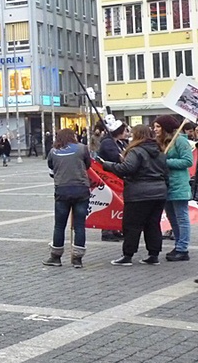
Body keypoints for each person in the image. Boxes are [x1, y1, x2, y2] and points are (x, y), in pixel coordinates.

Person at [100, 125, 168, 266]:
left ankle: (128, 255)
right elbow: (166, 173)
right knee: (153, 224)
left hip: (139, 193)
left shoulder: (136, 151)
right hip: (159, 192)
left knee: (132, 225)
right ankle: (153, 254)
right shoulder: (160, 151)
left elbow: (127, 169)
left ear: (137, 135)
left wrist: (107, 165)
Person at [43, 128, 91, 268]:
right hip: (81, 190)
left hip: (62, 190)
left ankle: (56, 257)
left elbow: (51, 170)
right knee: (79, 225)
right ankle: (77, 259)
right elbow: (88, 165)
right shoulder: (82, 148)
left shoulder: (53, 152)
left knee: (59, 225)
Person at [154, 114, 193, 262]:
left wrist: (166, 161)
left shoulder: (180, 141)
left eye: (158, 126)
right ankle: (178, 244)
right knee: (172, 217)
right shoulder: (160, 142)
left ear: (166, 127)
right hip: (165, 184)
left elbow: (187, 161)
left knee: (181, 217)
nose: (155, 129)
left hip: (179, 184)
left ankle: (183, 248)